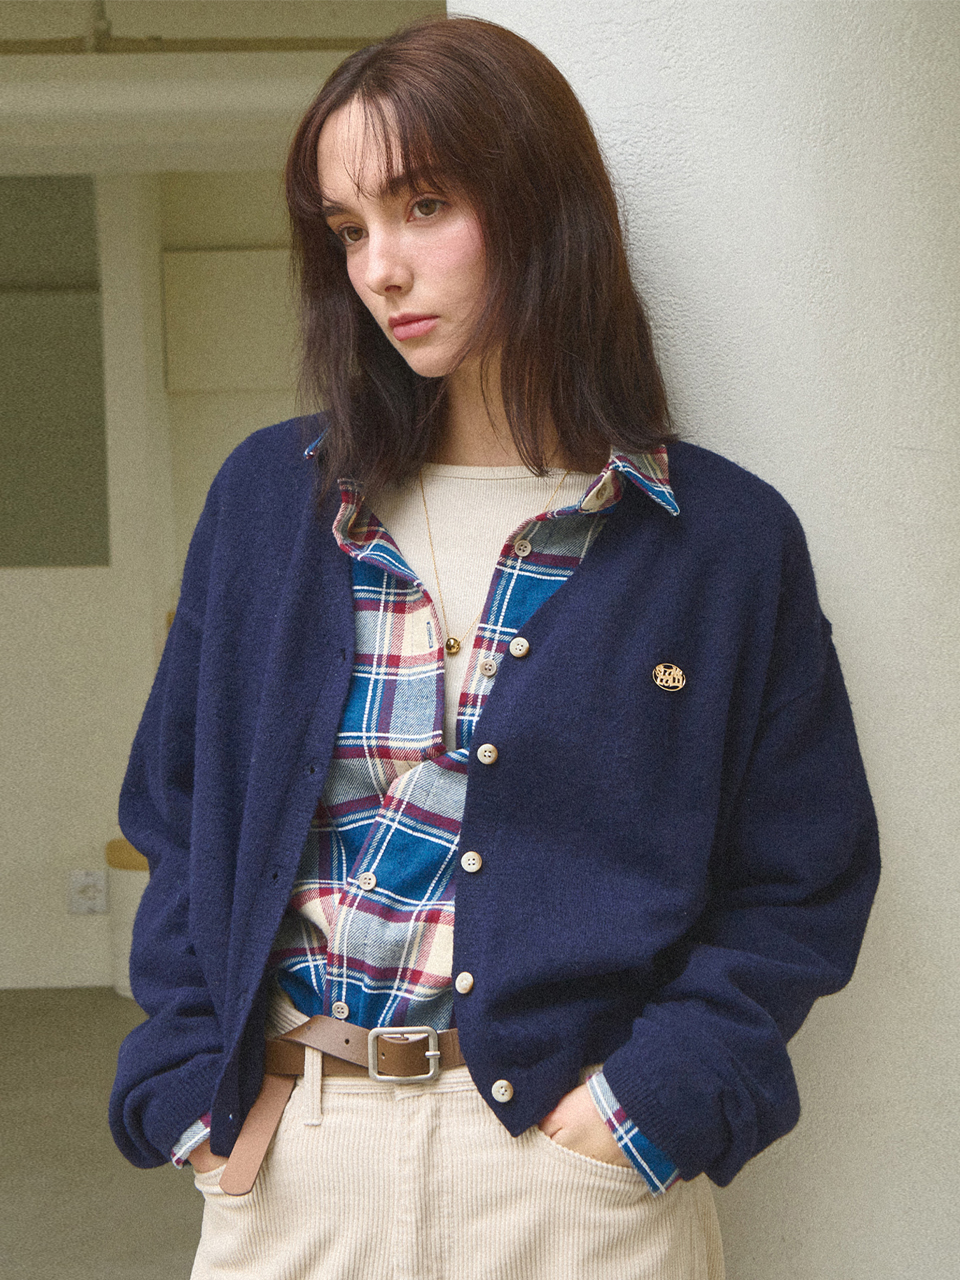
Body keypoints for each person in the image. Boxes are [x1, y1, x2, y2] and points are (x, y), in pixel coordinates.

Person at [110, 16, 879, 1280]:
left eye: (423, 206)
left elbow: (803, 874)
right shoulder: (273, 502)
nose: (380, 269)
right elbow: (179, 816)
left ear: (537, 203)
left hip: (573, 1183)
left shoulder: (721, 541)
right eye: (349, 228)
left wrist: (643, 1111)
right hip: (299, 1159)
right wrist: (192, 1090)